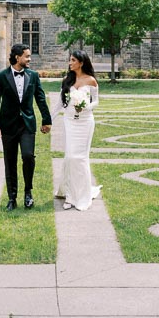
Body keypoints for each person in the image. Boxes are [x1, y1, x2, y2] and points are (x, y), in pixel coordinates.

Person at [0, 43, 51, 210]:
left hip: (27, 124)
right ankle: (12, 198)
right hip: (8, 125)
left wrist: (47, 120)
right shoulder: (1, 76)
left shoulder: (33, 75)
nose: (30, 59)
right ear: (17, 57)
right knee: (10, 162)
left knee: (28, 156)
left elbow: (40, 98)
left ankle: (28, 192)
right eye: (27, 56)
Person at [55, 50, 101, 211]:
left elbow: (96, 101)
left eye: (73, 60)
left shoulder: (91, 80)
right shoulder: (67, 80)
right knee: (69, 157)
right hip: (70, 122)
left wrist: (87, 106)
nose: (70, 63)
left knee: (80, 159)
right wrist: (49, 120)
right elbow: (60, 103)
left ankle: (81, 196)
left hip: (85, 122)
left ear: (81, 63)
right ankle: (69, 195)